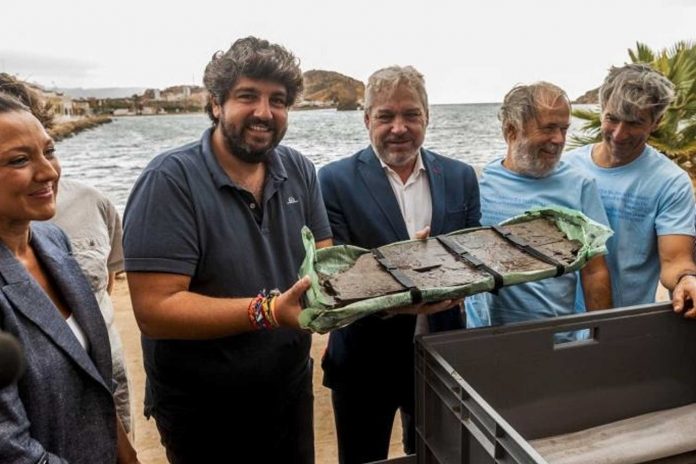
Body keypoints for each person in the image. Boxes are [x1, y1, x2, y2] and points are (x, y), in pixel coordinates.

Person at [122, 37, 333, 463]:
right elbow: (154, 310)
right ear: (216, 103)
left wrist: (402, 285)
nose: (263, 112)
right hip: (204, 408)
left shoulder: (299, 170)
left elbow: (322, 259)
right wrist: (269, 311)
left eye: (278, 100)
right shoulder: (170, 180)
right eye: (247, 96)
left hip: (288, 388)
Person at [318, 65, 481, 464]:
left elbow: (472, 254)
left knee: (437, 456)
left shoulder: (460, 176)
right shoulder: (332, 180)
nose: (399, 128)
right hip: (363, 360)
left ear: (427, 117)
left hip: (441, 350)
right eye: (385, 116)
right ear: (366, 119)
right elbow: (336, 274)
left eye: (411, 115)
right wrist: (411, 279)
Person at [0, 93, 138, 462]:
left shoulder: (51, 239)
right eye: (19, 160)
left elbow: (94, 384)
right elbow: (11, 450)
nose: (48, 172)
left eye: (50, 151)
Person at [465, 82, 612, 336]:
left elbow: (594, 271)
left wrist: (600, 338)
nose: (559, 139)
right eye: (548, 128)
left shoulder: (580, 186)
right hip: (484, 339)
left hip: (555, 340)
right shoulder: (477, 183)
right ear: (511, 131)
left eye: (564, 129)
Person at [565, 64, 696, 316]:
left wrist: (686, 280)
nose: (619, 134)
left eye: (634, 123)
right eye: (612, 119)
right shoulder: (567, 167)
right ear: (602, 111)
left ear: (656, 122)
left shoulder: (670, 182)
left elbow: (675, 260)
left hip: (626, 322)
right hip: (559, 320)